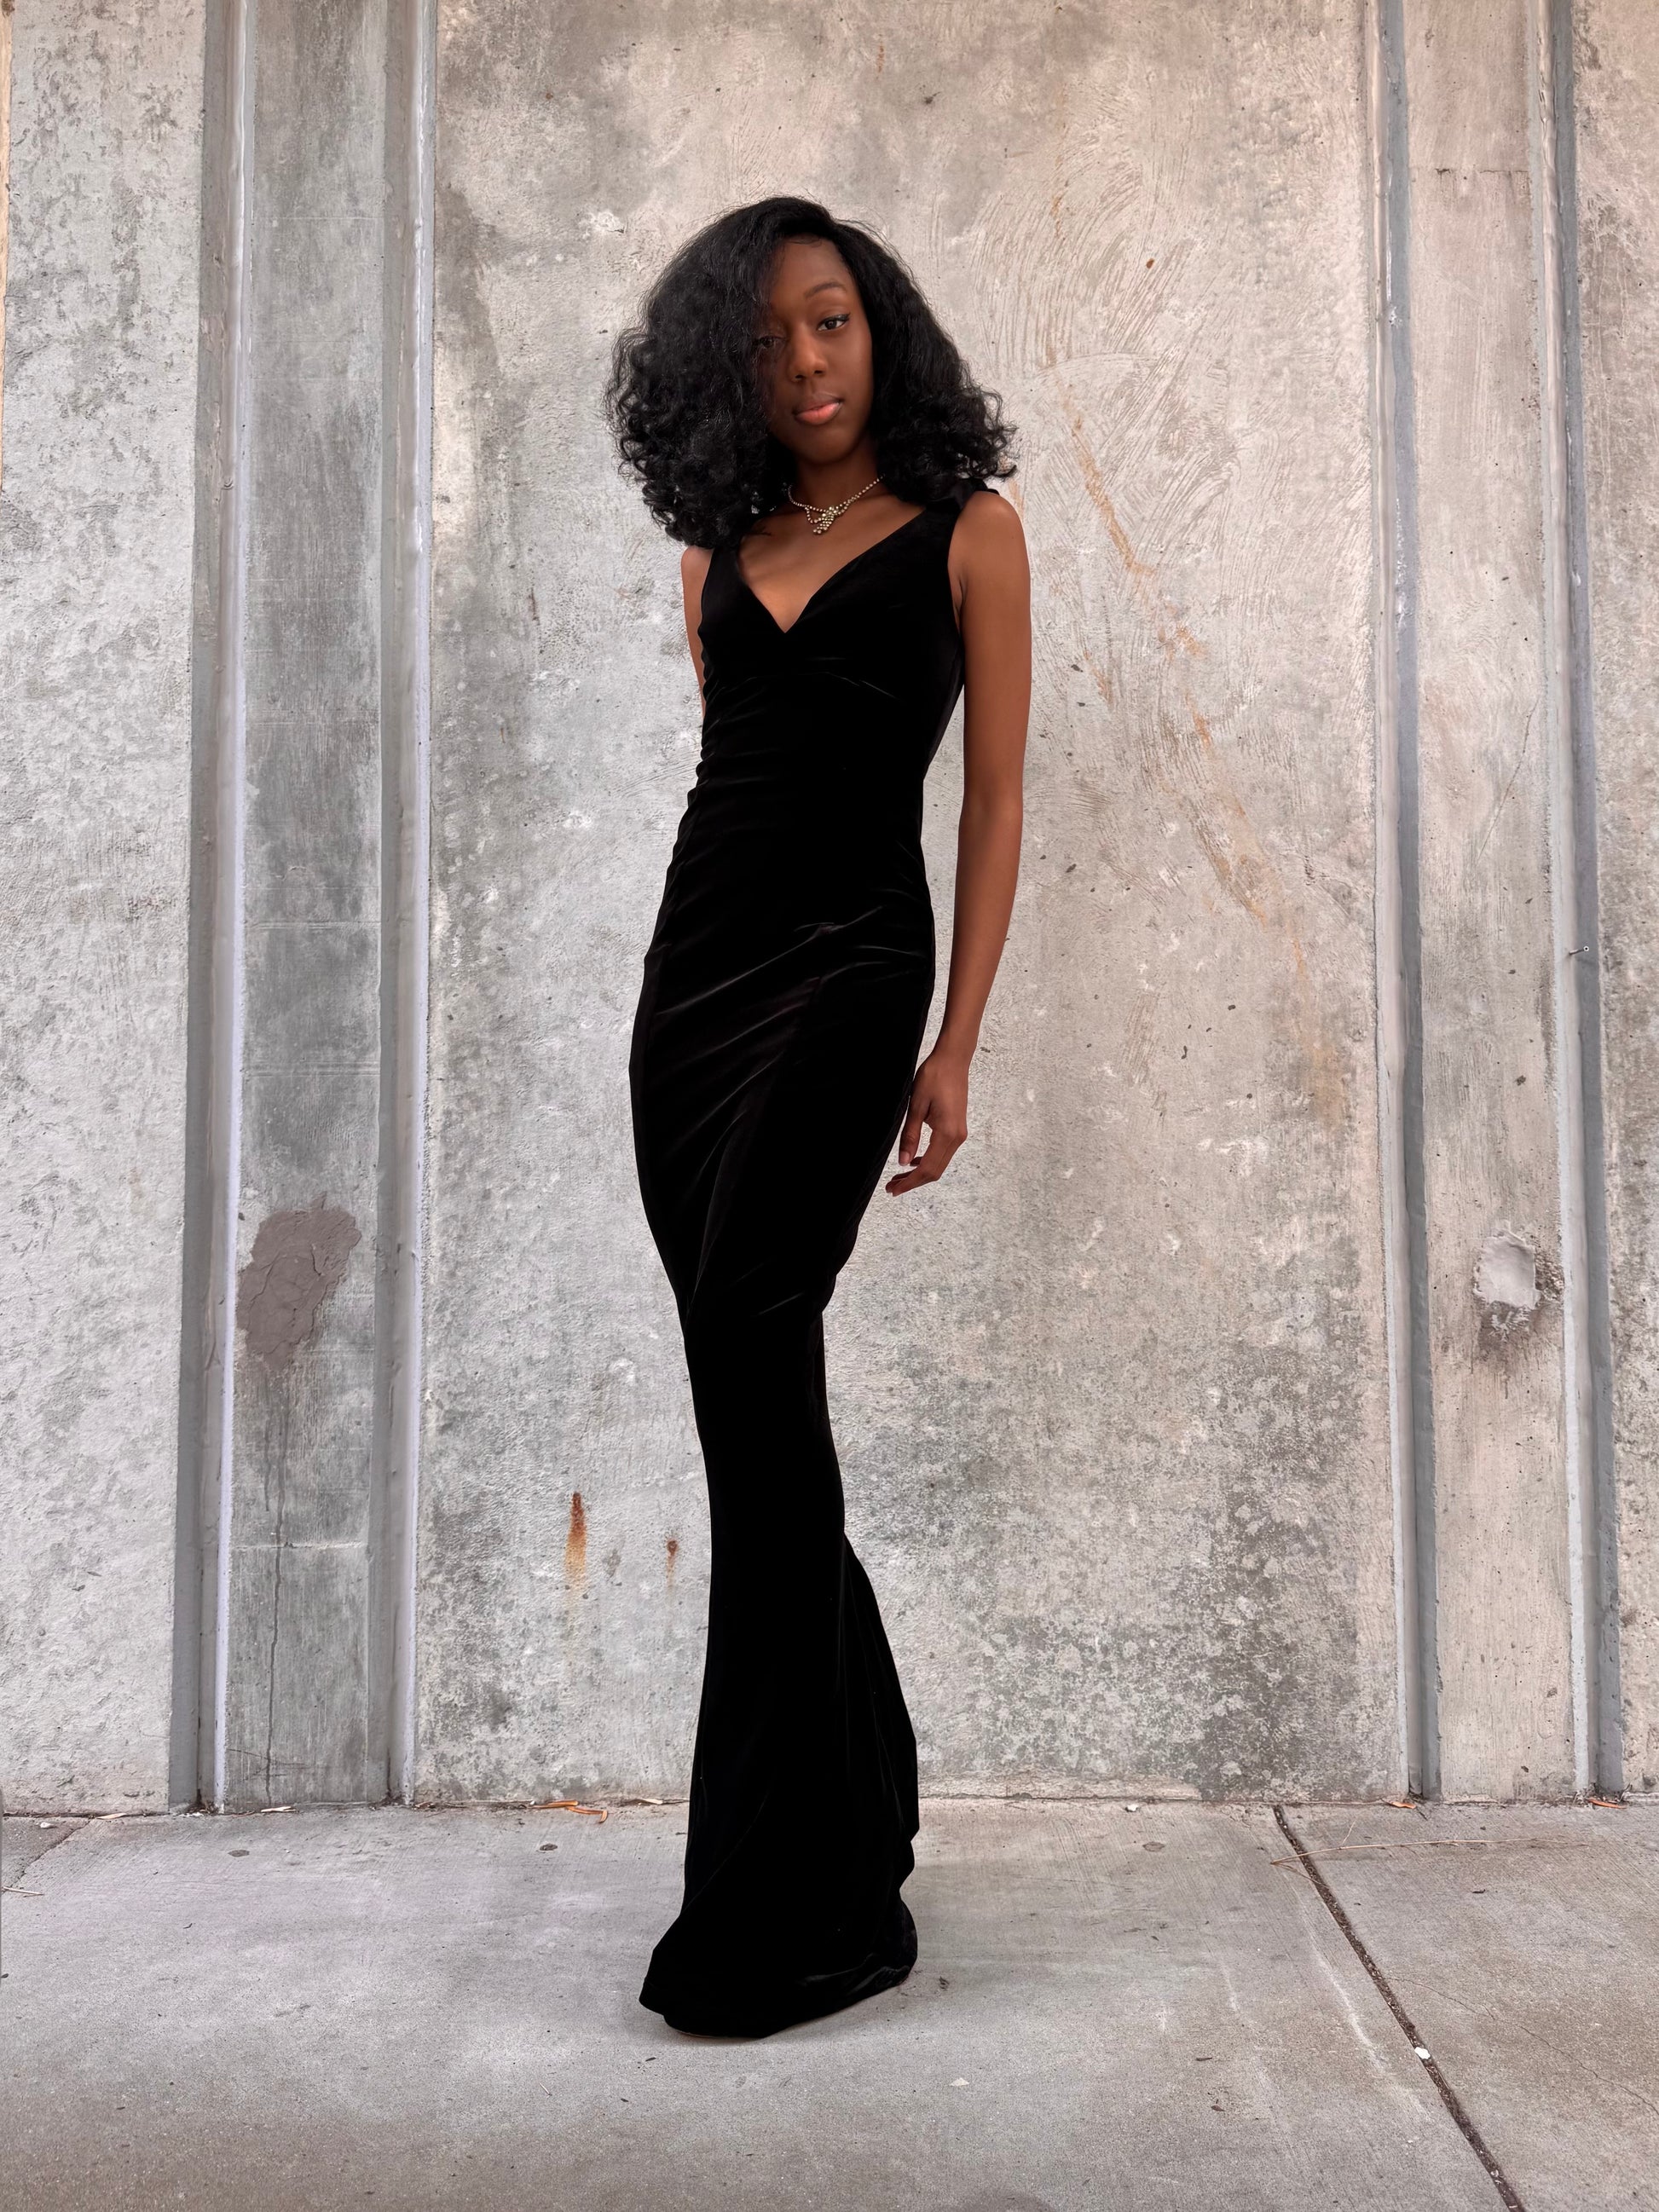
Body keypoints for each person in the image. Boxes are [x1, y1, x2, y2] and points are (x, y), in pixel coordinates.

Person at [605, 195, 1032, 2037]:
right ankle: (848, 1812)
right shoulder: (712, 554)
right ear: (731, 367)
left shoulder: (970, 533)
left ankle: (788, 1898)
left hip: (854, 983)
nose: (806, 360)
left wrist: (954, 1043)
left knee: (756, 1373)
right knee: (755, 1419)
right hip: (691, 1003)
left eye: (834, 319)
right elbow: (733, 788)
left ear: (883, 330)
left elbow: (991, 803)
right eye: (770, 335)